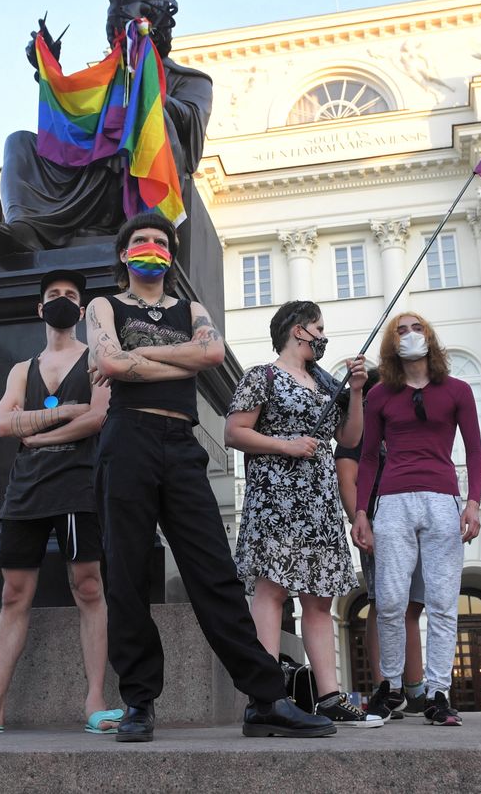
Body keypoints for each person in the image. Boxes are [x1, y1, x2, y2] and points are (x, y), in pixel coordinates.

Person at [86, 211, 335, 742]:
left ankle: (265, 699)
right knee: (126, 574)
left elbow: (213, 352)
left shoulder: (189, 306)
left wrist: (142, 352)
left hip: (181, 444)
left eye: (160, 241)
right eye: (141, 240)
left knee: (214, 573)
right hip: (126, 439)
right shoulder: (103, 305)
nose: (151, 247)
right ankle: (138, 703)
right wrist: (179, 359)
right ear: (125, 252)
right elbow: (107, 363)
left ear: (170, 255)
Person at [0, 270, 121, 736]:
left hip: (77, 487)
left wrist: (34, 431)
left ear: (81, 310)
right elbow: (1, 424)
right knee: (13, 594)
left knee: (89, 588)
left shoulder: (97, 358)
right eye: (53, 295)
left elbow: (97, 418)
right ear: (41, 309)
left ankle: (95, 701)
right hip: (26, 491)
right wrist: (63, 412)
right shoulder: (22, 369)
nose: (61, 301)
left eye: (70, 297)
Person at [0, 0, 212, 255]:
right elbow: (76, 118)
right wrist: (49, 73)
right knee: (19, 142)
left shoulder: (192, 80)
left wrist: (144, 88)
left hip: (137, 169)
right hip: (87, 164)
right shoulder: (107, 75)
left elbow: (192, 136)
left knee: (147, 119)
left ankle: (148, 232)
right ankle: (25, 229)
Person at [224, 300, 378, 729]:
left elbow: (349, 437)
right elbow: (234, 431)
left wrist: (359, 391)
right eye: (318, 327)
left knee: (319, 595)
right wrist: (287, 444)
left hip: (318, 499)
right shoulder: (263, 375)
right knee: (271, 590)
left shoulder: (326, 384)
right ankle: (265, 694)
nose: (323, 336)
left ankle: (329, 695)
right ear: (297, 330)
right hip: (276, 494)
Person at [350, 313, 481, 727]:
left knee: (443, 602)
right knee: (389, 600)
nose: (409, 335)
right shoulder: (380, 396)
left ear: (430, 337)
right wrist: (361, 512)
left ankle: (438, 693)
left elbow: (475, 451)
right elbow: (369, 455)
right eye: (401, 331)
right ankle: (389, 687)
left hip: (443, 499)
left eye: (417, 328)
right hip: (392, 502)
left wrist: (473, 502)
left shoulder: (457, 390)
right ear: (391, 345)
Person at [333, 370, 426, 721]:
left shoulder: (400, 430)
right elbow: (348, 482)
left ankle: (415, 689)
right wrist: (362, 522)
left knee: (412, 606)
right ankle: (385, 686)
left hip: (414, 521)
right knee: (382, 603)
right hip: (379, 525)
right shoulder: (357, 435)